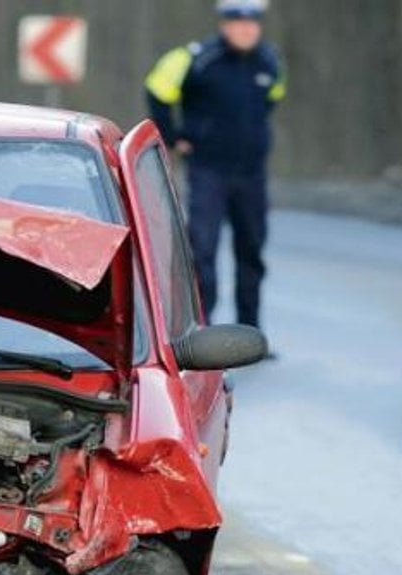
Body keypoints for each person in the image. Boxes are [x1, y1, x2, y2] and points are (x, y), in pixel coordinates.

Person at [145, 0, 285, 330]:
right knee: (202, 251)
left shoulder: (270, 60)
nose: (245, 29)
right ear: (224, 24)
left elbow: (273, 98)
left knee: (251, 251)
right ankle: (201, 332)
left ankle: (250, 330)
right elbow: (156, 89)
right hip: (208, 170)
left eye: (252, 23)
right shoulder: (197, 57)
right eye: (238, 22)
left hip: (251, 173)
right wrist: (173, 136)